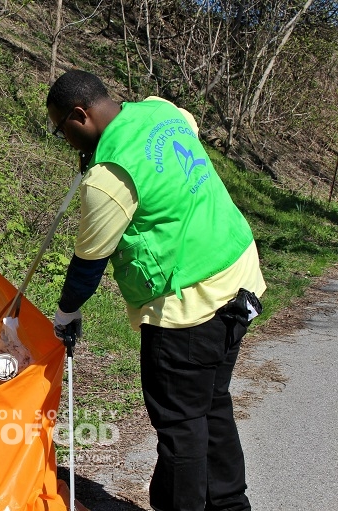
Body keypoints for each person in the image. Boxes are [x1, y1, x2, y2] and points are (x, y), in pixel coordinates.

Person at [47, 70, 265, 511]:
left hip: (189, 307)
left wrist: (66, 313)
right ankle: (229, 505)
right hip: (239, 276)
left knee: (182, 424)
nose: (61, 139)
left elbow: (89, 263)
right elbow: (186, 125)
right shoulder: (160, 110)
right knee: (211, 404)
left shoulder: (110, 178)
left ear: (79, 116)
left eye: (61, 130)